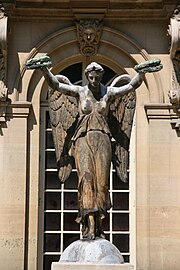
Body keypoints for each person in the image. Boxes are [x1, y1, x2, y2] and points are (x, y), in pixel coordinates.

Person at [41, 62, 145, 240]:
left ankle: (100, 226)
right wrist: (43, 70)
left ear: (101, 77)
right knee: (86, 181)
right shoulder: (80, 92)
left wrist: (142, 72)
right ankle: (89, 225)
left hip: (103, 140)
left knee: (102, 183)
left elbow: (130, 86)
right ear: (87, 77)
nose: (94, 80)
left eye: (97, 77)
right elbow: (56, 85)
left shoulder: (109, 93)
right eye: (91, 77)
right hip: (82, 140)